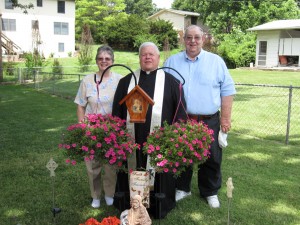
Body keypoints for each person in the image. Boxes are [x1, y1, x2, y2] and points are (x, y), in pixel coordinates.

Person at [164, 25, 236, 208]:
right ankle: (183, 188)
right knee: (181, 154)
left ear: (203, 39)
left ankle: (210, 191)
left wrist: (225, 119)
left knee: (211, 157)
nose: (192, 41)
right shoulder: (171, 62)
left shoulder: (216, 62)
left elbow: (227, 91)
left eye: (197, 37)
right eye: (189, 37)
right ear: (183, 39)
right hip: (181, 118)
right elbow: (163, 90)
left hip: (209, 119)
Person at [112, 42, 187, 219]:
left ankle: (158, 206)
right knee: (132, 166)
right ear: (139, 58)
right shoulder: (125, 82)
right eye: (144, 54)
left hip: (160, 142)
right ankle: (130, 204)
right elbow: (117, 112)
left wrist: (174, 137)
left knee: (159, 172)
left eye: (151, 54)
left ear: (158, 58)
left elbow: (180, 112)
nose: (147, 57)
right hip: (132, 141)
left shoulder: (171, 82)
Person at [74, 45, 122, 208]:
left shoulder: (120, 80)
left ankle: (109, 193)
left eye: (107, 58)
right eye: (100, 58)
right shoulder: (87, 80)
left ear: (113, 61)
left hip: (112, 129)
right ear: (96, 61)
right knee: (92, 165)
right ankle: (95, 195)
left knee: (110, 165)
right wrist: (82, 126)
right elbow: (80, 105)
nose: (104, 61)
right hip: (91, 129)